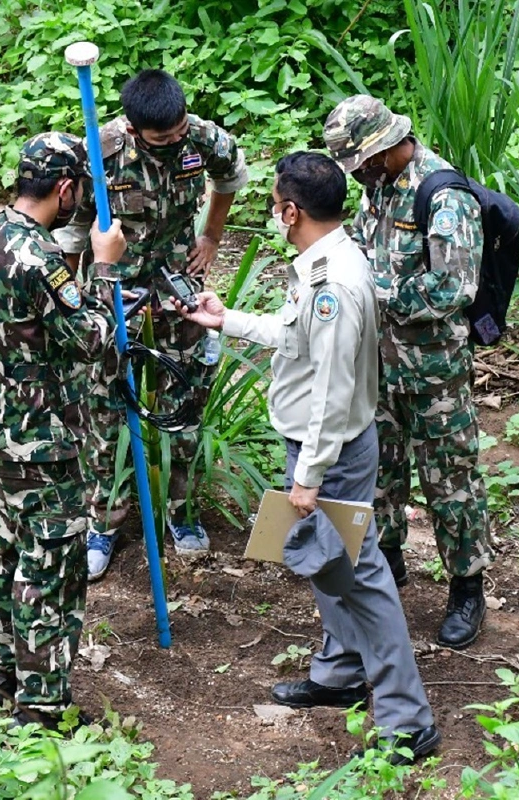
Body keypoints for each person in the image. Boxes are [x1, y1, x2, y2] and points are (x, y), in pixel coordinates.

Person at [174, 151, 440, 764]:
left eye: (273, 206)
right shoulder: (329, 262)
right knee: (328, 565)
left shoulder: (333, 285)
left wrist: (308, 475)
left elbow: (331, 388)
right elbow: (299, 341)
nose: (273, 214)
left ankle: (408, 717)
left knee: (364, 577)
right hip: (323, 446)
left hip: (333, 452)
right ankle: (340, 670)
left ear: (290, 211)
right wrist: (226, 320)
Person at [54, 69, 250, 580]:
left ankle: (180, 512)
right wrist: (73, 294)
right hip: (114, 292)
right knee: (107, 404)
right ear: (137, 129)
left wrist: (210, 234)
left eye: (180, 128)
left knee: (182, 399)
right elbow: (76, 229)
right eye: (163, 138)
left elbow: (230, 177)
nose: (176, 140)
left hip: (177, 289)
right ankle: (106, 520)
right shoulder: (101, 150)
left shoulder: (203, 137)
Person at [0, 132, 127, 729]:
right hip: (43, 441)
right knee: (50, 566)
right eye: (77, 191)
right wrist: (105, 269)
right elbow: (90, 338)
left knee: (7, 549)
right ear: (64, 188)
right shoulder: (37, 259)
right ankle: (41, 705)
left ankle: (1, 669)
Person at [323, 95, 495, 649]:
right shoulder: (377, 187)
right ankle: (389, 565)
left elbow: (455, 287)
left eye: (362, 163)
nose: (359, 176)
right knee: (383, 471)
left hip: (433, 371)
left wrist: (379, 292)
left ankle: (467, 588)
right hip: (380, 362)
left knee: (451, 479)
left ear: (384, 146)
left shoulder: (442, 195)